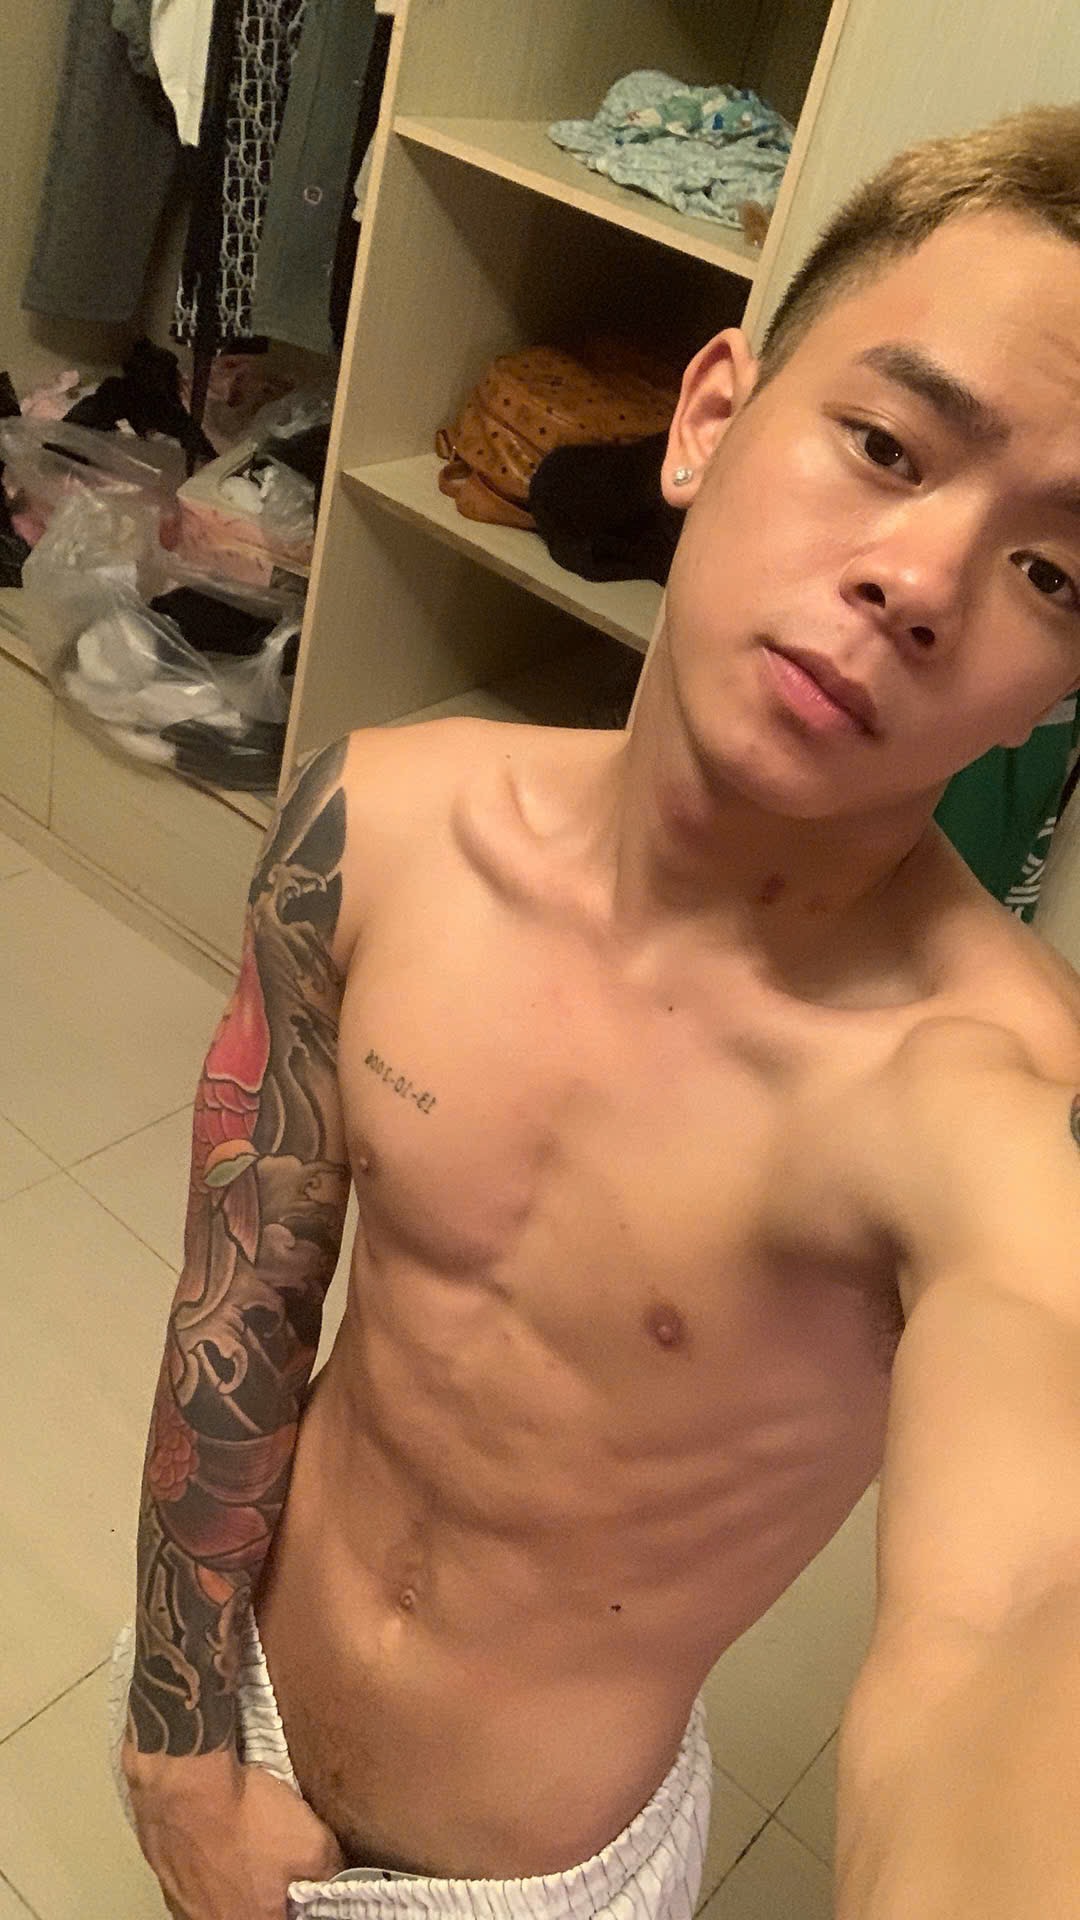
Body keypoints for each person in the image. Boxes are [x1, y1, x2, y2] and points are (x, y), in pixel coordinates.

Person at [113, 103, 1080, 1920]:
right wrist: (178, 1742)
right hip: (234, 1704)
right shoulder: (378, 824)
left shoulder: (993, 1098)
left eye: (1054, 573)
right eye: (886, 444)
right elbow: (241, 1298)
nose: (923, 583)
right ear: (708, 418)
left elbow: (1024, 1611)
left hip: (533, 1883)